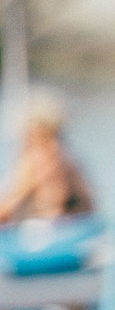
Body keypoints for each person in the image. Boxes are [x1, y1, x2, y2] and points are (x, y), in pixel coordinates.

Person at [0, 93, 91, 222]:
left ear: (36, 130)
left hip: (53, 228)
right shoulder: (64, 155)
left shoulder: (42, 157)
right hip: (79, 225)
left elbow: (12, 203)